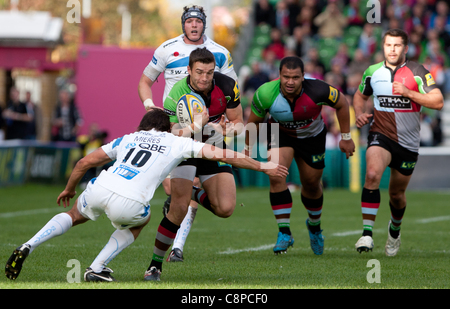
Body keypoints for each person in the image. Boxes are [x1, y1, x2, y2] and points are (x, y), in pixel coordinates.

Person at [5, 107, 288, 282]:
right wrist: (264, 166)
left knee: (74, 214)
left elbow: (83, 163)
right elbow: (226, 155)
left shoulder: (128, 137)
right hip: (129, 202)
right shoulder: (178, 142)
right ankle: (96, 266)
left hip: (102, 186)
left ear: (143, 126)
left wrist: (69, 188)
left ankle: (28, 244)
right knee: (142, 221)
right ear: (166, 128)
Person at [138, 5, 238, 262]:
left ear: (204, 24)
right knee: (177, 196)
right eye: (189, 22)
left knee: (224, 207)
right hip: (176, 127)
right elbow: (144, 81)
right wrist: (150, 105)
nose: (194, 26)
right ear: (183, 24)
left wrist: (227, 126)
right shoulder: (165, 49)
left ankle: (178, 244)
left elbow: (229, 92)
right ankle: (172, 251)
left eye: (198, 22)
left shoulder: (221, 53)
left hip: (211, 129)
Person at [144, 47, 246, 281]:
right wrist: (197, 127)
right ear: (189, 70)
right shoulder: (177, 92)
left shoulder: (228, 85)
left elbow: (239, 122)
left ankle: (193, 192)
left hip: (214, 147)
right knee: (178, 208)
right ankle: (154, 266)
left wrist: (228, 129)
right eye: (199, 72)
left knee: (225, 208)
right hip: (185, 150)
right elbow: (172, 132)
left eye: (209, 73)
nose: (204, 78)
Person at [244, 56, 355, 255]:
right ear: (279, 75)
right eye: (285, 76)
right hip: (280, 134)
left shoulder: (319, 89)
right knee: (275, 173)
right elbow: (254, 123)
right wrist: (246, 148)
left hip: (311, 137)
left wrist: (346, 137)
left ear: (303, 76)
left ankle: (314, 226)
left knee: (311, 184)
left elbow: (342, 103)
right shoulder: (265, 94)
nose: (290, 81)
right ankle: (284, 232)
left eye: (295, 77)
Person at [353, 28, 444, 256]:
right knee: (372, 175)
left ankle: (394, 230)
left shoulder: (418, 72)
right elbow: (359, 95)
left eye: (396, 46)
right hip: (380, 135)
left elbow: (438, 101)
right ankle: (367, 234)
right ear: (383, 47)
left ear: (405, 48)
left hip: (408, 143)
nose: (392, 50)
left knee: (396, 194)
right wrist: (359, 113)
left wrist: (409, 93)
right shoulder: (372, 71)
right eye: (388, 45)